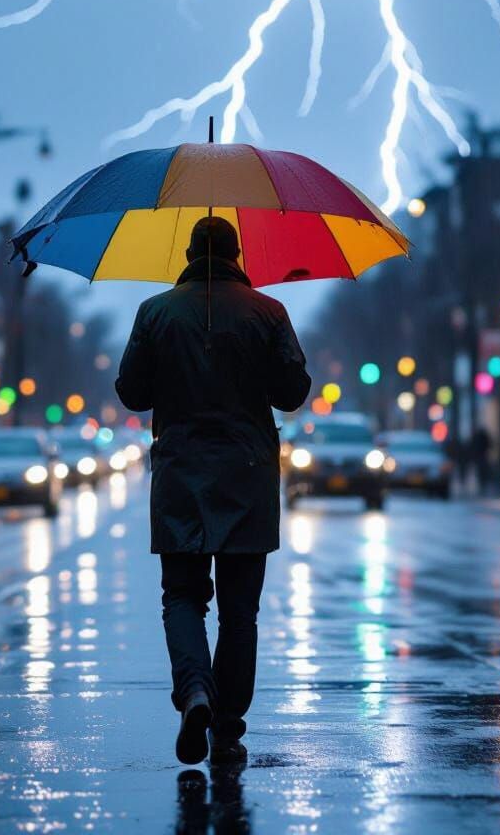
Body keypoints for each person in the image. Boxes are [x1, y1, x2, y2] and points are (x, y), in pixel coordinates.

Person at [116, 216, 311, 767]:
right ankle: (227, 724)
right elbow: (293, 391)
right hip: (247, 477)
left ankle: (195, 690)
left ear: (188, 252)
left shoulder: (154, 313)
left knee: (181, 596)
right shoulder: (268, 312)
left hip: (180, 474)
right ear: (238, 254)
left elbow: (132, 393)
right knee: (239, 612)